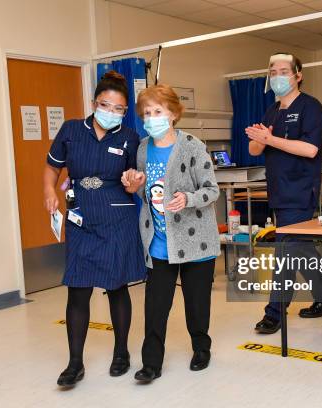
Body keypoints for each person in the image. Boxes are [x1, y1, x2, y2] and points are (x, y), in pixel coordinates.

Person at [43, 71, 146, 387]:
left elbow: (134, 181)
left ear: (125, 112)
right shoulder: (72, 130)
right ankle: (75, 363)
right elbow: (52, 167)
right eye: (105, 105)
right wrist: (49, 192)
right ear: (93, 103)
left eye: (119, 109)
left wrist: (134, 183)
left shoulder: (129, 137)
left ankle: (121, 353)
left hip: (117, 218)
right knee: (78, 289)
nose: (111, 112)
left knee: (116, 286)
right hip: (81, 219)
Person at [121, 84, 220, 382]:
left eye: (158, 112)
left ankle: (201, 349)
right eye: (147, 113)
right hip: (160, 243)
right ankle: (151, 363)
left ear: (174, 114)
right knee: (155, 307)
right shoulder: (141, 148)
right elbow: (145, 193)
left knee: (197, 304)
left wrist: (187, 199)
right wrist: (133, 185)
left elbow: (212, 190)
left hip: (196, 241)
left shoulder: (192, 146)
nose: (152, 118)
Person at [245, 53, 322, 334]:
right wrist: (260, 141)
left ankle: (274, 313)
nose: (277, 76)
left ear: (298, 75)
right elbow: (254, 150)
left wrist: (270, 139)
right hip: (278, 190)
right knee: (303, 251)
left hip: (300, 190)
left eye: (284, 71)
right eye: (272, 71)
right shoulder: (271, 111)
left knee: (286, 253)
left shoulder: (311, 107)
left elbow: (310, 149)